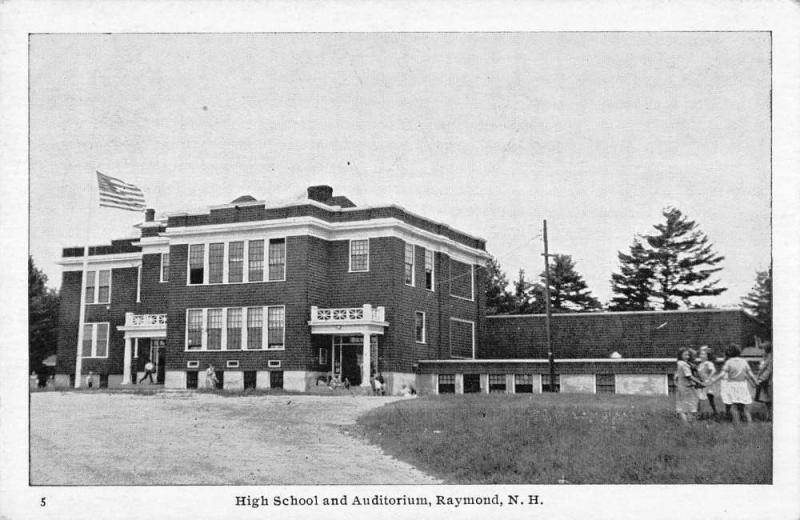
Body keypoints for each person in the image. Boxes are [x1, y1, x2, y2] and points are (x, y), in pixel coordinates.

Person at [707, 344, 758, 424]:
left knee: (734, 407)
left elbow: (721, 375)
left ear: (729, 352)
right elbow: (750, 374)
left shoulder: (728, 362)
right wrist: (756, 382)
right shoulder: (744, 361)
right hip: (742, 386)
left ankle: (737, 424)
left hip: (732, 386)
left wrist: (712, 382)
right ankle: (750, 425)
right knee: (744, 408)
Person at [675, 348, 704, 424]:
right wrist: (700, 383)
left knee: (683, 407)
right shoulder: (684, 365)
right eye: (685, 355)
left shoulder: (681, 363)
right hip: (686, 389)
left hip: (683, 387)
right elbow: (689, 376)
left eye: (688, 355)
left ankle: (688, 424)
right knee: (689, 407)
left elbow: (677, 377)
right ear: (680, 355)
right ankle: (688, 425)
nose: (687, 357)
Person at [696, 346, 719, 418]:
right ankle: (699, 413)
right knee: (699, 398)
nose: (701, 356)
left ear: (707, 356)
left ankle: (714, 412)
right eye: (700, 354)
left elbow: (713, 370)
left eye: (703, 354)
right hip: (702, 383)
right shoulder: (700, 364)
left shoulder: (708, 363)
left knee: (708, 398)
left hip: (708, 383)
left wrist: (708, 378)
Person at [755, 341, 773, 421]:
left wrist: (761, 379)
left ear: (766, 349)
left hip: (768, 382)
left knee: (768, 400)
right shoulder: (766, 357)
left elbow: (769, 370)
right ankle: (769, 416)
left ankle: (770, 417)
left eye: (762, 349)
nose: (761, 351)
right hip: (766, 381)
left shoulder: (770, 358)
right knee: (767, 401)